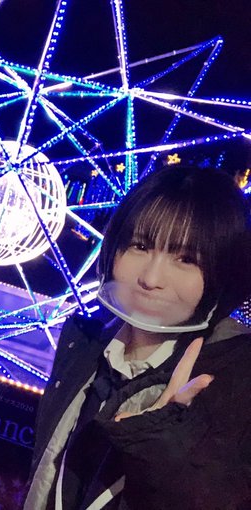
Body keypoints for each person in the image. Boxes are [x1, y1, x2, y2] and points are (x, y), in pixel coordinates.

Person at [24, 165, 251, 509]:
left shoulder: (235, 381)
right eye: (140, 246)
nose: (151, 278)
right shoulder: (84, 345)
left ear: (224, 273)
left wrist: (162, 440)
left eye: (186, 259)